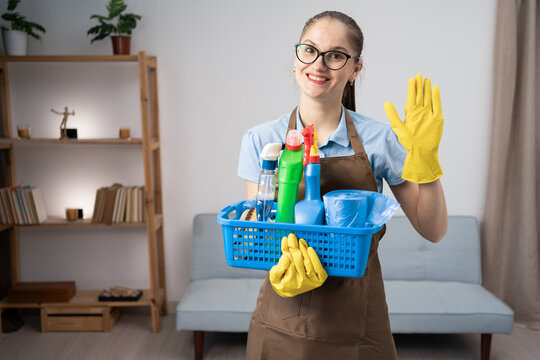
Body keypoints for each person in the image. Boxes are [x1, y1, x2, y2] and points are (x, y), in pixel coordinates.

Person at [237, 10, 447, 359]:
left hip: (359, 323)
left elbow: (433, 229)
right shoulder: (263, 141)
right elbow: (261, 234)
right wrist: (276, 264)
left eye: (336, 55)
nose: (318, 64)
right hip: (282, 316)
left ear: (354, 70)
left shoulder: (379, 139)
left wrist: (428, 168)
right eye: (309, 50)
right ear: (296, 58)